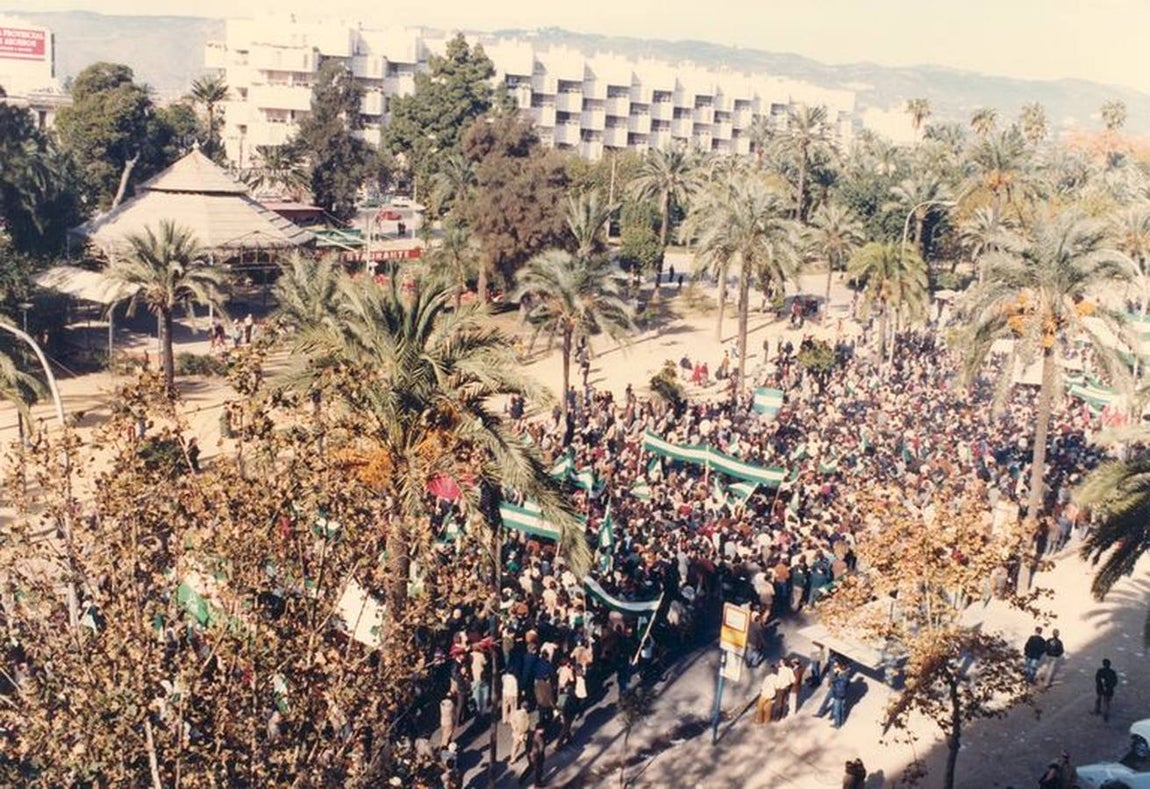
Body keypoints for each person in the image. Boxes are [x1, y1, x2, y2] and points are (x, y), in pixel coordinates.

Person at [830, 664, 850, 729]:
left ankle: (837, 724)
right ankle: (842, 721)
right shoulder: (846, 676)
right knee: (842, 708)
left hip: (838, 694)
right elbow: (847, 685)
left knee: (837, 710)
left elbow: (833, 680)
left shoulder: (841, 676)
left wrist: (836, 674)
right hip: (843, 693)